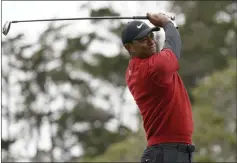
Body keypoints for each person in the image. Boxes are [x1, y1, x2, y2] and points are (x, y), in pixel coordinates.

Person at [121, 13, 195, 163]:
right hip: (166, 153)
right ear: (129, 47)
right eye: (143, 40)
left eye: (151, 36)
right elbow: (173, 44)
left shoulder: (135, 68)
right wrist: (166, 23)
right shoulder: (155, 67)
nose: (150, 42)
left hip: (168, 152)